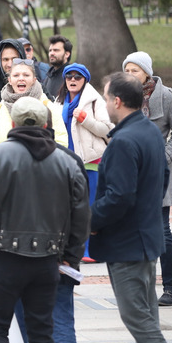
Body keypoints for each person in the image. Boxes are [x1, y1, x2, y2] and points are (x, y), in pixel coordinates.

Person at [0, 96, 90, 343]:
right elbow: (80, 217)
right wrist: (70, 257)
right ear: (46, 123)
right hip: (47, 258)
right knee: (41, 331)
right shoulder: (67, 162)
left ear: (11, 122)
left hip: (3, 257)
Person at [89, 73, 172, 343]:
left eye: (105, 96)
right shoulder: (148, 130)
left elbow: (118, 197)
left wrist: (90, 221)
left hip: (128, 245)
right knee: (147, 320)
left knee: (139, 321)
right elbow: (162, 178)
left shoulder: (124, 141)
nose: (104, 102)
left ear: (118, 101)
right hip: (145, 239)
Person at [123, 52, 172, 307]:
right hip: (133, 173)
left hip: (159, 174)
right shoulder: (124, 96)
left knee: (162, 231)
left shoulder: (166, 97)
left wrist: (163, 157)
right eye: (127, 70)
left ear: (146, 72)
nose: (130, 75)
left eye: (135, 70)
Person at [58, 63, 113, 261]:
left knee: (89, 207)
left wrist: (85, 119)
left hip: (90, 161)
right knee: (68, 208)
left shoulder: (94, 100)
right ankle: (70, 248)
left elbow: (108, 130)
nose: (73, 80)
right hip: (65, 161)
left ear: (85, 80)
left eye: (77, 77)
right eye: (69, 77)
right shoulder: (59, 101)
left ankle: (89, 250)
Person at [0, 59, 68, 151]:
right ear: (9, 80)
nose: (21, 78)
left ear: (34, 80)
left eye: (26, 75)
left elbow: (61, 143)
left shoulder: (47, 106)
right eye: (16, 75)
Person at [43, 35, 73, 99]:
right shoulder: (48, 76)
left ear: (67, 54)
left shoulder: (72, 76)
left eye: (56, 50)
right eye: (50, 50)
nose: (51, 53)